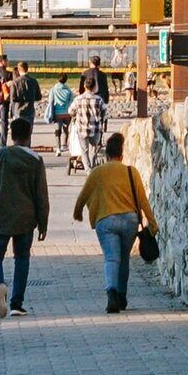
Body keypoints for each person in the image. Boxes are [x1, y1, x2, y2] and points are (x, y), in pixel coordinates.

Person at [0, 121, 51, 316]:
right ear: (29, 134)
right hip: (26, 217)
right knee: (22, 258)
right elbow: (41, 195)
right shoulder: (36, 161)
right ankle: (17, 304)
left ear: (11, 134)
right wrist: (43, 223)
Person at [74, 131, 153, 314]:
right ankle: (122, 296)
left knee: (111, 258)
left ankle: (111, 292)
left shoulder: (98, 172)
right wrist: (153, 224)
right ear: (121, 156)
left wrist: (78, 213)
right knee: (124, 258)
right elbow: (143, 201)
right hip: (130, 221)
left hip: (106, 221)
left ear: (106, 155)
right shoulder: (131, 172)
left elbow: (83, 196)